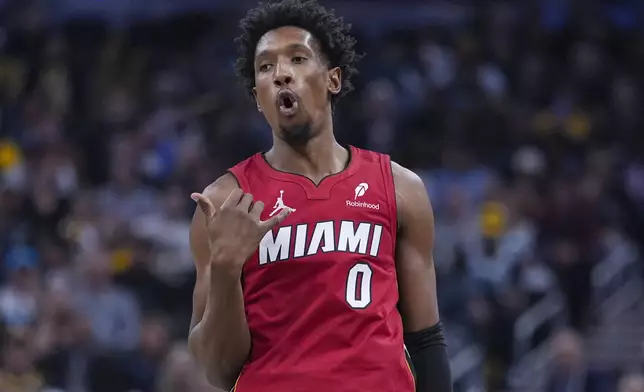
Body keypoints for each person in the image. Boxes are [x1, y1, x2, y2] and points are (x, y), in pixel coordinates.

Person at [187, 1, 452, 391]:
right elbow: (217, 371)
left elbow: (426, 339)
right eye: (265, 67)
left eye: (297, 59)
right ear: (258, 98)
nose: (281, 75)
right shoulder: (225, 201)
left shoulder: (399, 188)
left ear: (333, 80)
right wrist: (226, 272)